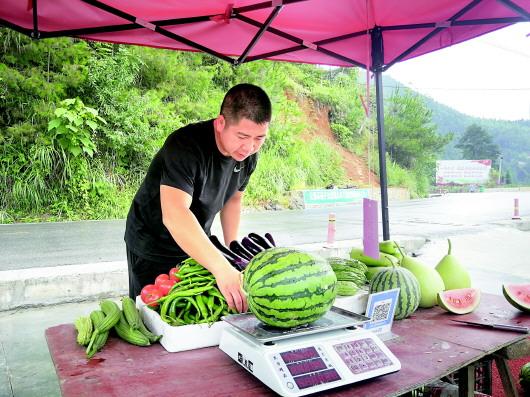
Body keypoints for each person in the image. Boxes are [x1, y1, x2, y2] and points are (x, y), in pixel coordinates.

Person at [124, 83, 271, 313]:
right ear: (220, 123)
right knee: (152, 318)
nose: (250, 147)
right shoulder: (185, 146)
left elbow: (233, 199)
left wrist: (233, 252)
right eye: (242, 136)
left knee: (191, 312)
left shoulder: (247, 156)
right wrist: (221, 268)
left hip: (196, 242)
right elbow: (175, 215)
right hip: (152, 243)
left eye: (259, 138)